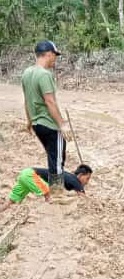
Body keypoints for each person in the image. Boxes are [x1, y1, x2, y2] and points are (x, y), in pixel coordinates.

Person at [22, 40, 72, 194]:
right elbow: (49, 101)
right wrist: (62, 124)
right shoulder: (44, 75)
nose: (55, 59)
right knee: (57, 158)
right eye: (54, 55)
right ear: (48, 54)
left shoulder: (27, 73)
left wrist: (30, 121)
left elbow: (27, 100)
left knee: (52, 156)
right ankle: (57, 193)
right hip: (49, 124)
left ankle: (54, 189)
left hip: (37, 123)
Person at [0, 164, 93, 212]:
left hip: (25, 174)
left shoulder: (69, 176)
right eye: (87, 178)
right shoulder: (76, 181)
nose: (87, 182)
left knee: (11, 200)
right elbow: (83, 197)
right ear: (80, 175)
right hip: (31, 175)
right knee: (48, 192)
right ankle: (50, 211)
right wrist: (96, 203)